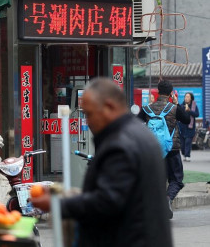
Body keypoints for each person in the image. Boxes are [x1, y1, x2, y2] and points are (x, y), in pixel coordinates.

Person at [31, 78, 173, 247]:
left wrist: (57, 203)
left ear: (109, 106)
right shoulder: (140, 134)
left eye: (90, 114)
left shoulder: (120, 144)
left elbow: (107, 201)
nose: (88, 121)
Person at [138, 79, 189, 218]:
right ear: (171, 93)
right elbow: (186, 120)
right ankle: (167, 199)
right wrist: (177, 103)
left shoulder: (147, 109)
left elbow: (136, 122)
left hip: (153, 150)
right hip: (171, 149)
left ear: (158, 91)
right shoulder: (174, 108)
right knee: (176, 179)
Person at [179, 92, 199, 162]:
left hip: (190, 128)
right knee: (182, 144)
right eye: (185, 96)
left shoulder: (194, 105)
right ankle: (184, 153)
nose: (186, 98)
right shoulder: (181, 105)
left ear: (191, 98)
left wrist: (189, 111)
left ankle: (187, 155)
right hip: (182, 127)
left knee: (188, 142)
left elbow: (197, 114)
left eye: (188, 97)